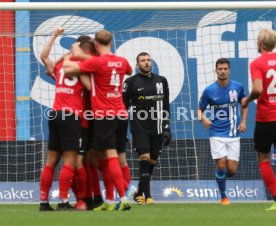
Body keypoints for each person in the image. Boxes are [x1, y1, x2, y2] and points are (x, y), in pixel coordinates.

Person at [63, 29, 133, 211]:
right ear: (111, 42)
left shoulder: (97, 63)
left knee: (109, 158)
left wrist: (74, 48)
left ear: (95, 45)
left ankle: (123, 197)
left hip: (104, 115)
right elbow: (130, 70)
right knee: (119, 158)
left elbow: (70, 67)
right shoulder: (122, 61)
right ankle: (110, 199)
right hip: (121, 114)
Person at [39, 28, 93, 211]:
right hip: (71, 116)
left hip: (54, 113)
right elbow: (90, 87)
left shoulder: (61, 66)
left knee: (51, 161)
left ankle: (43, 203)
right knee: (71, 162)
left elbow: (44, 57)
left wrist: (54, 36)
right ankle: (63, 202)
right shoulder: (80, 67)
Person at [123, 52, 172, 205]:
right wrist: (122, 129)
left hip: (157, 127)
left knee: (152, 160)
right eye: (143, 61)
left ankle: (139, 192)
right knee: (144, 157)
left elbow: (165, 105)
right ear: (137, 65)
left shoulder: (161, 81)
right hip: (139, 126)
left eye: (148, 60)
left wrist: (167, 126)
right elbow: (123, 107)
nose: (146, 63)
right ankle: (148, 197)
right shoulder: (130, 82)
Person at [197, 58, 248, 205]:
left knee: (231, 170)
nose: (223, 71)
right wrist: (204, 119)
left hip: (233, 134)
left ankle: (220, 177)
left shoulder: (238, 87)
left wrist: (243, 122)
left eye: (225, 69)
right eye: (220, 69)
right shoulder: (209, 90)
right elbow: (199, 110)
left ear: (229, 70)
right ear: (216, 70)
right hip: (216, 133)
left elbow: (244, 105)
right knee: (221, 165)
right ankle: (223, 197)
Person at [241, 28, 276, 211]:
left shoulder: (257, 63)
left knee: (263, 158)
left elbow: (258, 89)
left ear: (261, 43)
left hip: (266, 118)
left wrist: (246, 100)